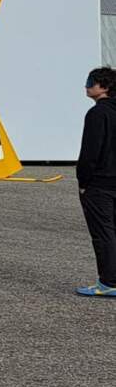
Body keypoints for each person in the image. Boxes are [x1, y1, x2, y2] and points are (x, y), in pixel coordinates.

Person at [75, 67, 116, 297]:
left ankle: (108, 282)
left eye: (91, 82)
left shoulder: (97, 113)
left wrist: (83, 181)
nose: (87, 86)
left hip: (100, 184)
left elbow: (90, 151)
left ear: (105, 87)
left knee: (103, 233)